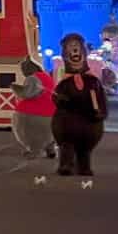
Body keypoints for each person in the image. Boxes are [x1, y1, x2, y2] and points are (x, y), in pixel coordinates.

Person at [50, 32, 108, 177]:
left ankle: (84, 166)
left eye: (77, 47)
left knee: (84, 149)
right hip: (68, 123)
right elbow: (56, 97)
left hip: (88, 121)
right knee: (67, 145)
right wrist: (60, 99)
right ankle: (66, 165)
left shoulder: (92, 82)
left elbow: (100, 98)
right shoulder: (64, 83)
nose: (74, 51)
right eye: (70, 48)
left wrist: (100, 111)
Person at [9, 58, 57, 160]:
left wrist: (15, 88)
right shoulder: (46, 77)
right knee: (48, 134)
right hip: (51, 112)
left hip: (34, 114)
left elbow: (28, 93)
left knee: (33, 134)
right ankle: (50, 149)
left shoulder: (33, 78)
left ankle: (36, 151)